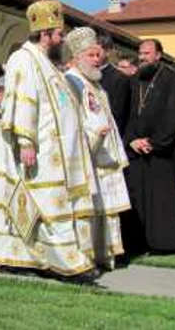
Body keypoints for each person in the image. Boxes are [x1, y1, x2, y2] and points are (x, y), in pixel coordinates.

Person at [0, 0, 97, 283]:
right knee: (45, 204)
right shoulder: (24, 59)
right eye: (59, 34)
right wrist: (26, 142)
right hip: (38, 149)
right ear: (45, 33)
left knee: (36, 204)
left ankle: (21, 257)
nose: (62, 39)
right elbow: (24, 101)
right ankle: (65, 263)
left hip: (52, 150)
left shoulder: (46, 61)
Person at [65, 27, 131, 270]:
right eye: (92, 55)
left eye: (98, 55)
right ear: (78, 56)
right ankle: (87, 257)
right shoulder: (71, 81)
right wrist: (93, 135)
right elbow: (70, 122)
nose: (98, 59)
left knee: (106, 211)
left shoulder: (95, 83)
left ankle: (105, 256)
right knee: (88, 212)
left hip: (104, 156)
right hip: (87, 157)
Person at [123, 38, 175, 255]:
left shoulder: (171, 79)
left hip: (161, 151)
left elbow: (172, 114)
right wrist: (132, 140)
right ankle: (137, 243)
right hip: (137, 149)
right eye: (140, 53)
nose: (142, 57)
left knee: (161, 200)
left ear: (158, 55)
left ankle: (162, 244)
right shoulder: (134, 79)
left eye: (147, 53)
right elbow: (127, 113)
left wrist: (155, 142)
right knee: (137, 198)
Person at [98, 34, 131, 135]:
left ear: (107, 51)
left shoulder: (119, 78)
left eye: (97, 52)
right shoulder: (83, 75)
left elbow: (118, 115)